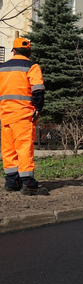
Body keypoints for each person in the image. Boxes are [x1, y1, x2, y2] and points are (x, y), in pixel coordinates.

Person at [0, 36, 48, 195]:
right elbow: (38, 90)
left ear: (13, 51)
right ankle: (28, 183)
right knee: (24, 149)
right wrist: (38, 108)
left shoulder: (2, 68)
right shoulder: (32, 67)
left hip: (6, 115)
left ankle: (11, 181)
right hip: (23, 115)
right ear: (29, 51)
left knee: (9, 149)